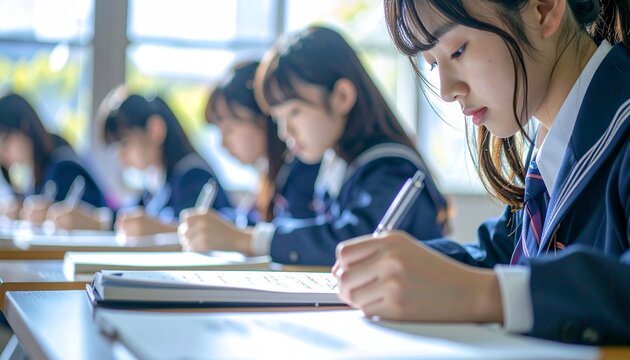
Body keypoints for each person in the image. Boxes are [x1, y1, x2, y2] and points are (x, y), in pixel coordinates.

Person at [334, 0, 630, 345]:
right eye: (432, 65)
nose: (446, 91)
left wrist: (484, 296)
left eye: (457, 51)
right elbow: (500, 256)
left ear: (543, 9)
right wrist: (396, 268)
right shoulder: (553, 145)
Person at [179, 26, 449, 266]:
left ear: (341, 96)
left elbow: (353, 238)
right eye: (279, 118)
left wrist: (249, 240)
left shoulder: (389, 167)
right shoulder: (338, 162)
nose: (285, 132)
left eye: (294, 112)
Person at [205, 60, 320, 223]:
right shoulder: (268, 174)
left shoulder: (302, 172)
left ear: (265, 118)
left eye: (229, 129)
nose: (223, 144)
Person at [103, 94, 231, 236]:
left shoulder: (193, 176)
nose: (120, 156)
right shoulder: (154, 184)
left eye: (124, 143)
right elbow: (126, 215)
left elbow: (192, 233)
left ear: (154, 130)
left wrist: (151, 228)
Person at [0, 93, 109, 229]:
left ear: (25, 127)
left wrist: (50, 214)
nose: (2, 156)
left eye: (5, 144)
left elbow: (104, 220)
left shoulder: (64, 169)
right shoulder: (37, 177)